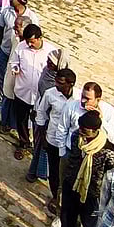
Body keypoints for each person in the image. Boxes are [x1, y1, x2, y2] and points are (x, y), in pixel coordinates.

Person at [52, 111, 114, 227]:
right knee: (68, 217)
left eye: (86, 129)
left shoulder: (108, 151)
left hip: (93, 194)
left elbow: (109, 176)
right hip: (72, 185)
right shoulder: (76, 137)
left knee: (90, 225)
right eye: (81, 127)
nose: (81, 131)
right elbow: (71, 158)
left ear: (96, 130)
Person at [5, 23, 52, 160]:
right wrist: (15, 69)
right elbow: (13, 62)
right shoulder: (21, 47)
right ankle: (24, 142)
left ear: (39, 38)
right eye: (28, 42)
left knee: (39, 122)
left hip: (39, 96)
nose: (30, 44)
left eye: (32, 42)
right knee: (22, 119)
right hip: (22, 91)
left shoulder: (50, 52)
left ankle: (38, 146)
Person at [31, 66, 76, 196]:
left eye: (60, 83)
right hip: (53, 139)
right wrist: (42, 135)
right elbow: (41, 113)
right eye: (56, 81)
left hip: (69, 144)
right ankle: (56, 196)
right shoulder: (50, 93)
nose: (56, 85)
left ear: (70, 84)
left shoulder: (78, 98)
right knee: (54, 171)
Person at [59, 80, 114, 151]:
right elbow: (62, 128)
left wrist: (101, 119)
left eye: (87, 99)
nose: (83, 100)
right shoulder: (71, 106)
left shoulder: (108, 110)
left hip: (95, 153)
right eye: (82, 96)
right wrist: (62, 151)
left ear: (98, 100)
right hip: (72, 151)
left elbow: (113, 138)